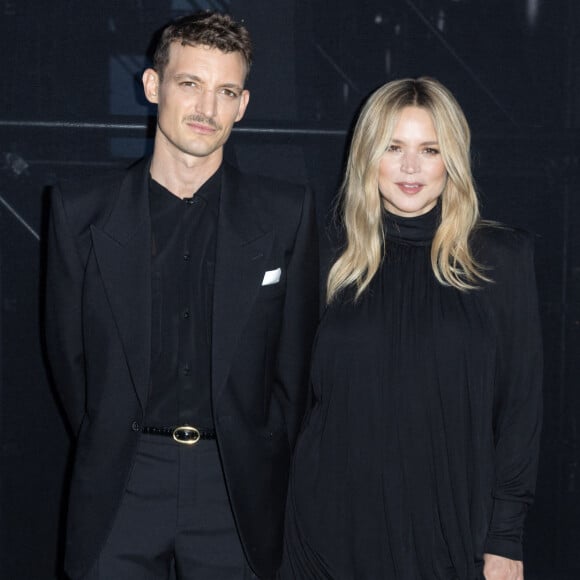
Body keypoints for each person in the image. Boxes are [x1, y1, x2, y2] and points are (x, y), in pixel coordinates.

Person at [45, 11, 318, 580]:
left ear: (242, 104)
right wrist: (113, 437)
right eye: (189, 84)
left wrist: (259, 455)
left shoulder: (287, 215)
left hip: (235, 491)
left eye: (225, 91)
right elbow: (70, 366)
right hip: (121, 486)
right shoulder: (79, 214)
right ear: (153, 86)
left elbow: (295, 370)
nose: (206, 109)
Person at [278, 77, 542, 580]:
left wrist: (505, 535)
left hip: (454, 531)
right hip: (327, 532)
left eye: (429, 149)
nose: (410, 166)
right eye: (393, 147)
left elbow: (521, 410)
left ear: (453, 159)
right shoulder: (325, 256)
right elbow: (289, 400)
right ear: (366, 155)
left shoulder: (500, 259)